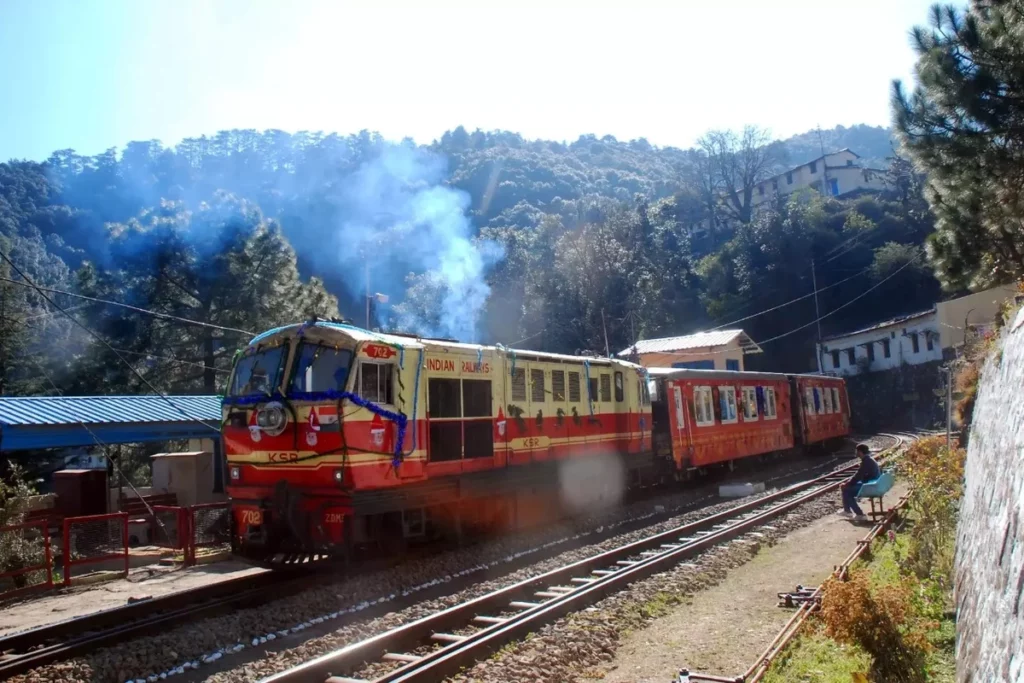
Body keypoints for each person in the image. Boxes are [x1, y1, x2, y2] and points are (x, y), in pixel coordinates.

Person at [839, 443, 880, 522]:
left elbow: (858, 476)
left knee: (847, 491)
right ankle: (847, 511)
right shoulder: (868, 459)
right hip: (872, 483)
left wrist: (847, 484)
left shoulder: (866, 461)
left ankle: (859, 514)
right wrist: (848, 483)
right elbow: (858, 475)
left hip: (871, 486)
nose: (855, 452)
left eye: (856, 451)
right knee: (846, 488)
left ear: (860, 452)